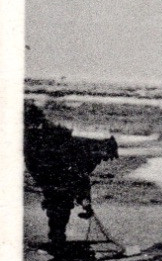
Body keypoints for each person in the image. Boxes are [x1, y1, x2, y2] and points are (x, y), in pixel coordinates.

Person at [22, 102, 117, 251]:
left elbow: (80, 177)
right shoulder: (81, 151)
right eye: (106, 156)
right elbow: (80, 177)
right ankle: (57, 238)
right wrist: (84, 201)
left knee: (59, 205)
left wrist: (85, 201)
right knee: (59, 205)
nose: (106, 160)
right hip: (52, 175)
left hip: (52, 176)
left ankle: (57, 238)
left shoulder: (83, 150)